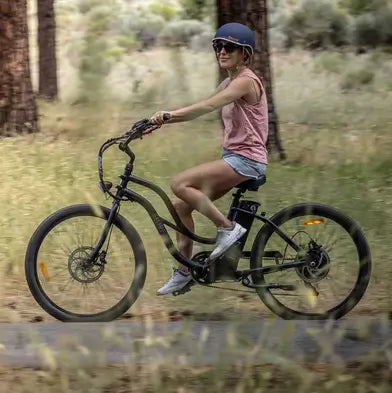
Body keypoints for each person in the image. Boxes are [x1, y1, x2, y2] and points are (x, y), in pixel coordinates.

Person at [150, 22, 269, 296]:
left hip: (247, 160)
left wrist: (169, 115)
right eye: (218, 46)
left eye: (230, 47)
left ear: (245, 54)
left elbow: (209, 106)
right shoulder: (228, 82)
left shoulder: (246, 81)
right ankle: (184, 271)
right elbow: (197, 110)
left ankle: (228, 230)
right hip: (234, 158)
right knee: (181, 206)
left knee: (180, 183)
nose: (222, 51)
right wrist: (156, 122)